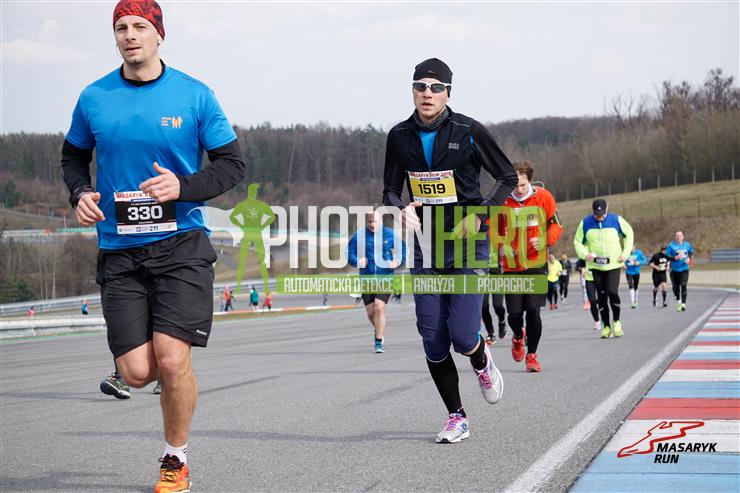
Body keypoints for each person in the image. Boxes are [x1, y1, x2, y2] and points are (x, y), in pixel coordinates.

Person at [60, 1, 245, 490]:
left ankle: (175, 459)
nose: (129, 35)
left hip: (181, 244)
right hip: (120, 249)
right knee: (138, 372)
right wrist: (80, 192)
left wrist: (183, 186)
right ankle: (148, 367)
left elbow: (231, 165)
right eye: (121, 27)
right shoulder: (94, 97)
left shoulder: (194, 94)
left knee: (172, 359)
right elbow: (73, 157)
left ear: (159, 35)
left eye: (140, 26)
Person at [383, 58, 517, 442]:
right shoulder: (398, 136)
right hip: (426, 247)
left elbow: (506, 177)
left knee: (462, 335)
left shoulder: (469, 131)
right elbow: (390, 189)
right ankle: (457, 416)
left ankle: (481, 359)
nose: (427, 93)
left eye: (435, 87)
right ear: (412, 90)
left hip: (468, 244)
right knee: (433, 338)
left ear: (447, 93)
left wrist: (480, 214)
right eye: (420, 86)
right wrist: (400, 208)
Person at [497, 161, 563, 372]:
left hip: (536, 262)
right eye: (515, 185)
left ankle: (532, 356)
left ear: (530, 181)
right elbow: (492, 228)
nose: (518, 189)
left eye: (522, 185)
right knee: (514, 315)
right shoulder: (502, 200)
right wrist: (501, 246)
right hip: (512, 265)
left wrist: (544, 240)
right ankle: (518, 336)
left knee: (534, 311)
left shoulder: (544, 197)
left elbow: (556, 225)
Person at [348, 208, 406, 353]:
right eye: (370, 222)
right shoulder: (359, 236)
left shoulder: (390, 234)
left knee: (379, 307)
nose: (372, 224)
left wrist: (397, 261)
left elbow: (402, 250)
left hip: (385, 278)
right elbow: (350, 254)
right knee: (370, 312)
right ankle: (379, 329)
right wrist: (358, 261)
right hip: (367, 279)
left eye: (375, 221)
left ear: (381, 221)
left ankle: (378, 341)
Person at [574, 199, 634, 339]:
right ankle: (606, 326)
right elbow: (577, 242)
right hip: (596, 266)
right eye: (596, 215)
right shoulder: (585, 223)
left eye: (602, 214)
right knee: (601, 297)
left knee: (612, 292)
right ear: (593, 211)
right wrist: (584, 254)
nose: (599, 217)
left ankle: (617, 322)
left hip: (613, 264)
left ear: (607, 209)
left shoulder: (616, 220)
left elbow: (629, 234)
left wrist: (625, 253)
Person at [665, 230, 694, 311]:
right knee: (676, 287)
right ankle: (678, 301)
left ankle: (683, 304)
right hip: (674, 270)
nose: (679, 237)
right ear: (675, 237)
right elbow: (666, 256)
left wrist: (689, 259)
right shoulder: (671, 246)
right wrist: (674, 258)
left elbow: (691, 253)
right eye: (677, 236)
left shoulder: (687, 245)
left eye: (680, 236)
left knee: (684, 285)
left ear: (683, 237)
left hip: (684, 269)